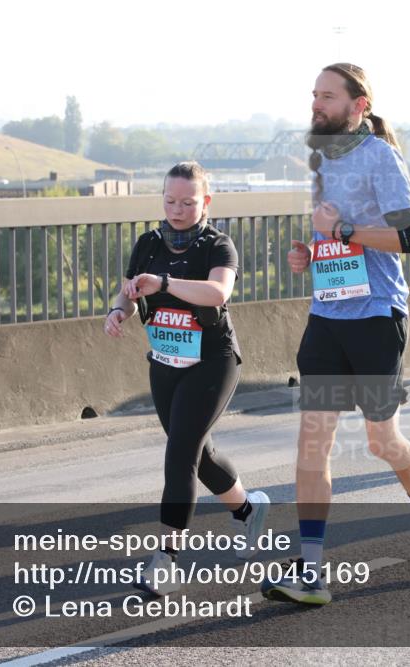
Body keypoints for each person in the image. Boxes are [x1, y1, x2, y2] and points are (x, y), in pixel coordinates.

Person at [261, 63, 410, 606]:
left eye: (327, 96)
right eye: (314, 95)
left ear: (358, 105)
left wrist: (342, 231)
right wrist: (310, 252)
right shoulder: (322, 159)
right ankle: (311, 572)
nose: (316, 104)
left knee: (380, 441)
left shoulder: (380, 157)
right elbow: (332, 237)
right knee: (312, 442)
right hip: (327, 317)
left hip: (376, 316)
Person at [104, 161, 270, 595]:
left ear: (206, 202)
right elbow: (129, 290)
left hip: (212, 361)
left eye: (188, 203)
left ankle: (167, 559)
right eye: (170, 201)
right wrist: (118, 310)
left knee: (180, 453)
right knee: (200, 453)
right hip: (165, 361)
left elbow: (217, 293)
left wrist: (164, 282)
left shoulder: (218, 246)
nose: (177, 210)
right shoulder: (147, 244)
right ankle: (249, 511)